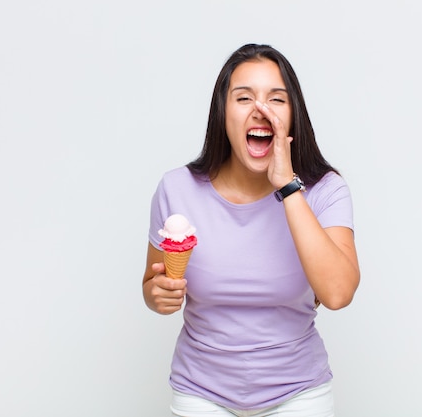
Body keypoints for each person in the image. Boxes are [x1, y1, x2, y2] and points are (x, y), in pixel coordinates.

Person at [142, 43, 360, 417]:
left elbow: (338, 293)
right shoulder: (176, 189)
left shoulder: (326, 190)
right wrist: (156, 295)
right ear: (222, 113)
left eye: (276, 99)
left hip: (298, 393)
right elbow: (152, 284)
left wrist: (288, 186)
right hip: (200, 393)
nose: (261, 110)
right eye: (244, 98)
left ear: (292, 116)